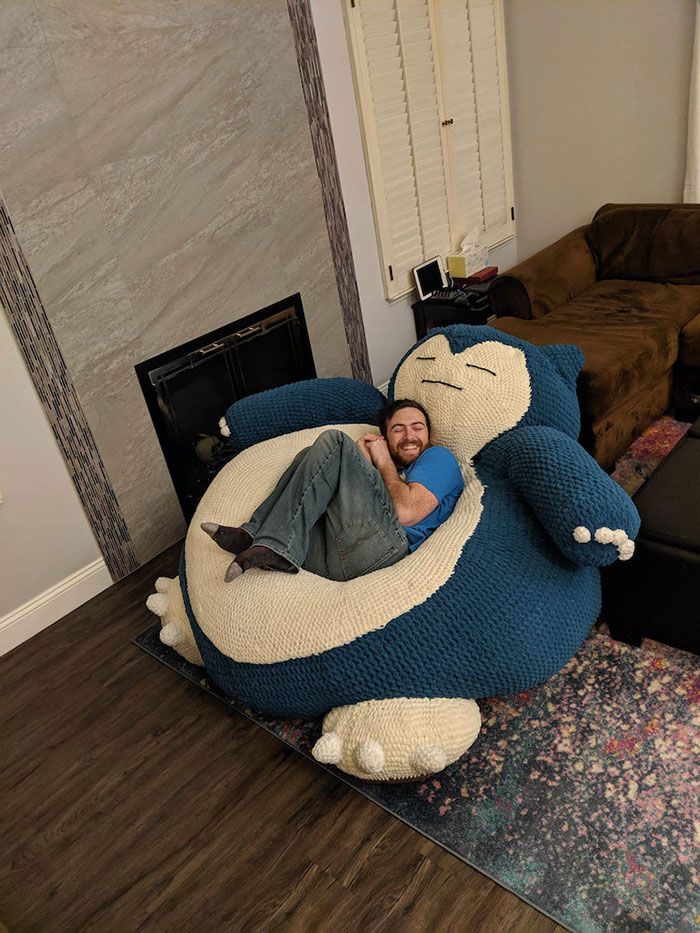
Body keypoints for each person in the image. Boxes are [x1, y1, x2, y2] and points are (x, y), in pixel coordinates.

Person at [201, 399, 464, 583]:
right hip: (332, 558)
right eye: (398, 429)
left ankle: (273, 544)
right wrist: (361, 462)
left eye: (417, 427)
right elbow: (359, 500)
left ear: (430, 434)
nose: (409, 436)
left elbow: (405, 512)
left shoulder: (438, 457)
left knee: (335, 441)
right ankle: (255, 534)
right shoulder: (386, 472)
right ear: (384, 437)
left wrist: (380, 460)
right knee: (310, 455)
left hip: (386, 549)